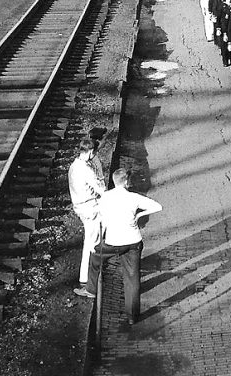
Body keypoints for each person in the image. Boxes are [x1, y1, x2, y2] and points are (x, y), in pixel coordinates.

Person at [73, 168, 162, 326]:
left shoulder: (105, 197)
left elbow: (99, 216)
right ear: (127, 182)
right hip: (133, 242)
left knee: (95, 257)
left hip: (113, 243)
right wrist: (139, 215)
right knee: (132, 277)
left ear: (114, 181)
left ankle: (91, 289)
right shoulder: (134, 197)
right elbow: (157, 207)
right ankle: (132, 316)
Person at [68, 136, 105, 291]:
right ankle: (88, 280)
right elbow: (101, 190)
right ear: (90, 152)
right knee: (93, 243)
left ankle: (87, 277)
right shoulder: (86, 170)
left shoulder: (73, 166)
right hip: (90, 208)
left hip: (80, 207)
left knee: (90, 241)